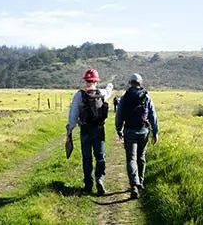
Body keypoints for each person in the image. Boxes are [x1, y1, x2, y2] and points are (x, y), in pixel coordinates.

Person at [65, 67, 111, 195]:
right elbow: (109, 91)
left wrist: (70, 129)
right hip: (99, 129)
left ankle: (88, 185)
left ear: (86, 80)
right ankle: (100, 179)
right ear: (96, 81)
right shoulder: (102, 93)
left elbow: (73, 116)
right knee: (100, 156)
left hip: (85, 129)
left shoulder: (79, 94)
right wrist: (110, 85)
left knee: (87, 158)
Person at [115, 73, 159, 197]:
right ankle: (141, 182)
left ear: (130, 83)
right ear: (140, 83)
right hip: (143, 131)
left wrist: (119, 129)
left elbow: (119, 115)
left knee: (131, 158)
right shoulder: (146, 96)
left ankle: (134, 184)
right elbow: (153, 115)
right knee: (141, 157)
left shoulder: (125, 97)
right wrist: (155, 132)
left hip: (129, 131)